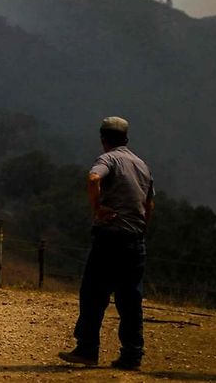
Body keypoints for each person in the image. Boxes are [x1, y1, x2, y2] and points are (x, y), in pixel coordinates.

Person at [59, 116, 154, 371]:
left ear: (103, 139)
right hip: (135, 241)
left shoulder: (108, 159)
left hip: (110, 239)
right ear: (126, 139)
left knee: (93, 295)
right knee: (130, 300)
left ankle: (88, 349)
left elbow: (93, 179)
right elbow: (149, 204)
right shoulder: (142, 165)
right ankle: (132, 355)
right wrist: (142, 228)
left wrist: (97, 208)